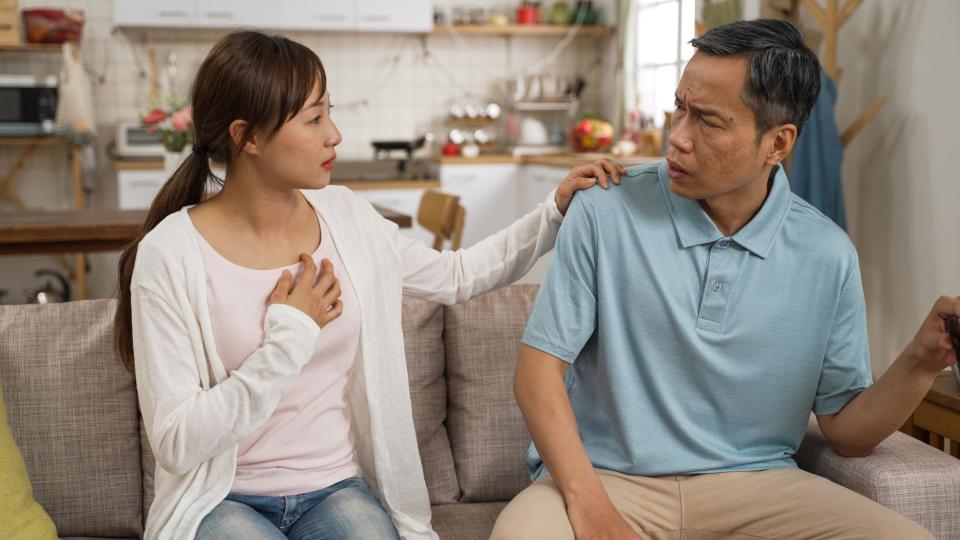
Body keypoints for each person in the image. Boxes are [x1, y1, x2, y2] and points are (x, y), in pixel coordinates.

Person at [113, 30, 624, 540]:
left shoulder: (346, 218)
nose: (334, 134)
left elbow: (457, 275)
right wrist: (290, 335)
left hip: (334, 489)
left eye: (329, 112)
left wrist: (552, 212)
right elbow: (176, 441)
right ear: (247, 136)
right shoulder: (170, 254)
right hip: (220, 499)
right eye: (314, 119)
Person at [495, 19, 954, 540]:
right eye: (680, 108)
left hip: (759, 488)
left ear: (777, 143)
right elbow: (536, 375)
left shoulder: (828, 254)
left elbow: (845, 430)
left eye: (708, 121)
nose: (678, 138)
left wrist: (921, 358)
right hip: (606, 480)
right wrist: (590, 506)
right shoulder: (604, 208)